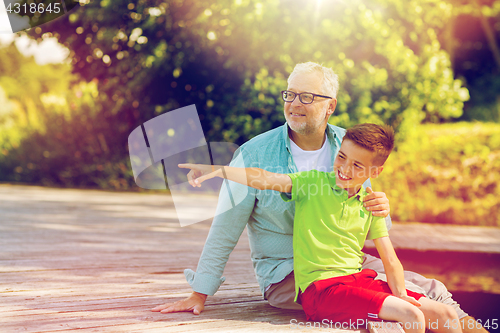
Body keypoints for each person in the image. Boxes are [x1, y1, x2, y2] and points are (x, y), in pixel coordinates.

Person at [152, 62, 484, 333]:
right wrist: (200, 293)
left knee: (434, 290)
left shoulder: (349, 146)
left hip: (347, 265)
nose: (294, 104)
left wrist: (383, 209)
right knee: (405, 311)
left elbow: (368, 214)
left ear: (330, 106)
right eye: (290, 94)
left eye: (307, 97)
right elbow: (224, 229)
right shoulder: (254, 153)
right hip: (291, 277)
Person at [176, 123, 462, 333]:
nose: (345, 170)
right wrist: (218, 169)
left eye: (357, 165)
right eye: (341, 158)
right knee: (411, 316)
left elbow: (390, 259)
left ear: (375, 173)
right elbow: (262, 177)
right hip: (321, 290)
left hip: (356, 279)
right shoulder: (312, 184)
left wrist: (398, 293)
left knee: (446, 316)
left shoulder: (369, 203)